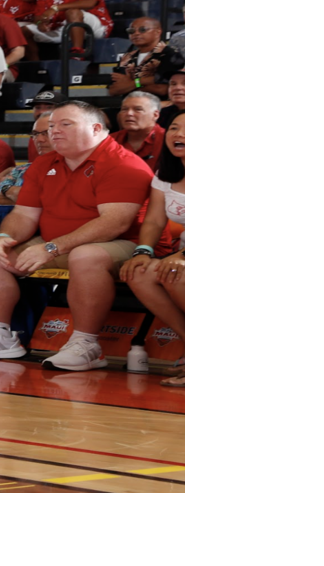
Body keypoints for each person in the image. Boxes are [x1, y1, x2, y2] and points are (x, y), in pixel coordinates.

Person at [0, 100, 152, 371]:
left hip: (121, 245)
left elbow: (115, 223)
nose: (54, 131)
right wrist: (5, 235)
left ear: (97, 128)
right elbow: (24, 215)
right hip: (58, 244)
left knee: (85, 255)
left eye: (66, 124)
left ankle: (87, 344)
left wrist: (52, 247)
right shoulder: (44, 163)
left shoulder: (122, 163)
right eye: (52, 126)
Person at [119, 111, 182, 385]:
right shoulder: (165, 174)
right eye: (174, 128)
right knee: (139, 272)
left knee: (176, 273)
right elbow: (155, 220)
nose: (179, 135)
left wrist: (182, 256)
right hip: (182, 255)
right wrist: (143, 250)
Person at [0, 110, 47, 204]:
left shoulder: (70, 167)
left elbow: (49, 200)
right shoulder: (21, 170)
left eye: (46, 133)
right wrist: (10, 190)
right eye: (35, 134)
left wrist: (9, 192)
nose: (39, 139)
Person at [107, 17, 180, 99]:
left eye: (142, 30)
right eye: (131, 31)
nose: (136, 33)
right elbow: (113, 90)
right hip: (129, 107)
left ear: (157, 32)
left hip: (159, 108)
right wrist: (143, 82)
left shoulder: (170, 55)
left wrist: (133, 83)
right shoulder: (126, 57)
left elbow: (162, 89)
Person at [110, 90, 160, 170]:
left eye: (138, 109)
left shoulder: (168, 139)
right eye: (124, 109)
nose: (129, 113)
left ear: (155, 115)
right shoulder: (110, 140)